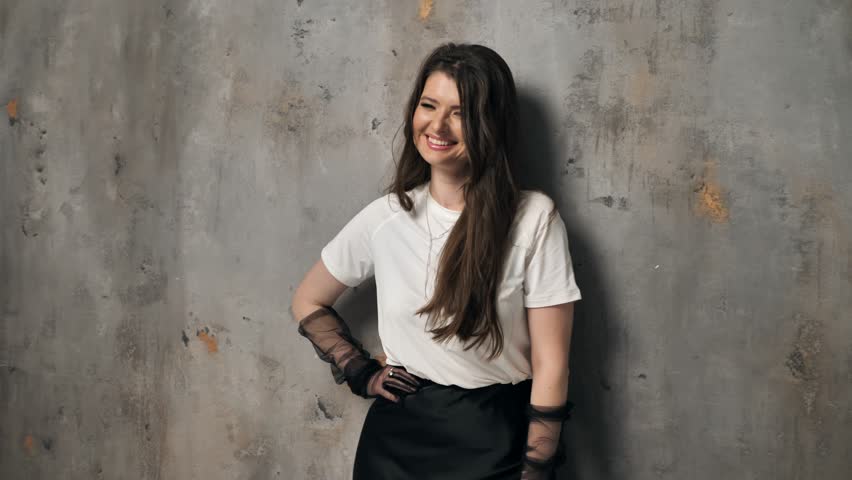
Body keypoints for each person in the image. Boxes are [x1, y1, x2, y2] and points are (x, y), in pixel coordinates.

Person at [290, 42, 582, 480]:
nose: (438, 125)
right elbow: (308, 301)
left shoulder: (533, 219)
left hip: (495, 438)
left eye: (460, 112)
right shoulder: (387, 216)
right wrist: (361, 371)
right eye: (429, 105)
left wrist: (537, 467)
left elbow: (551, 363)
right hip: (396, 445)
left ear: (490, 124)